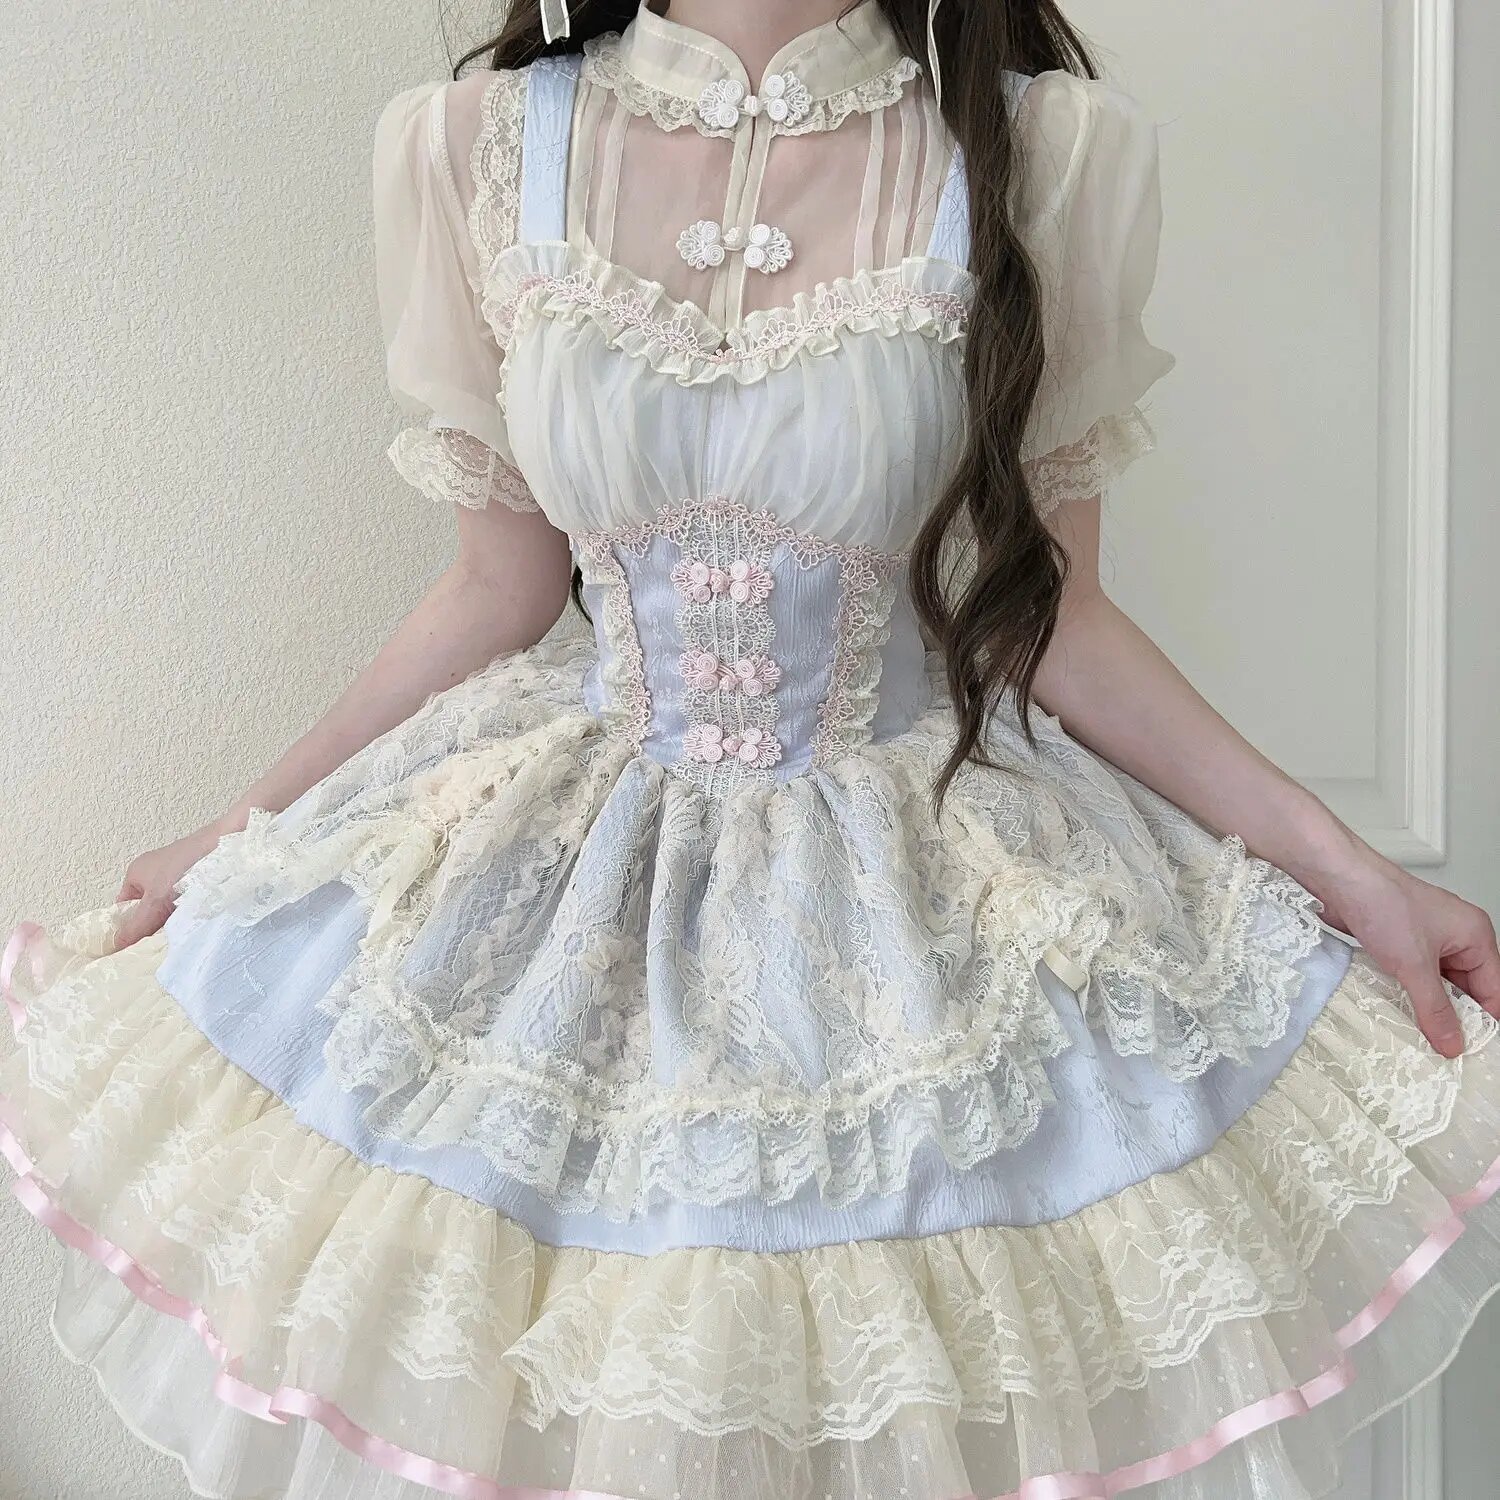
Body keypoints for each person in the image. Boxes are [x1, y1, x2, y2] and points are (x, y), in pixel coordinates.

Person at [5, 2, 1499, 1497]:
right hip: (570, 900)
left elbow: (1053, 619)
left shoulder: (1041, 152)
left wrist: (1352, 873)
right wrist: (245, 827)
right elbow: (495, 590)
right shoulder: (475, 145)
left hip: (905, 914)